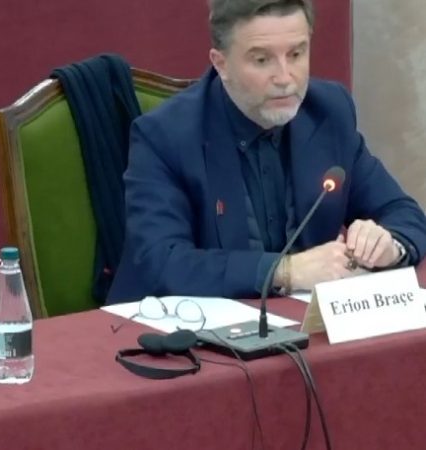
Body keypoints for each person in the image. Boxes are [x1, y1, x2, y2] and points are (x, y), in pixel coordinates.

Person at [107, 0, 426, 303]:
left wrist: (389, 245)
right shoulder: (165, 136)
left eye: (296, 54)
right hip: (178, 330)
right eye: (262, 60)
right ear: (221, 64)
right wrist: (285, 271)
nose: (285, 78)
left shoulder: (328, 112)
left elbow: (404, 213)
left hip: (300, 326)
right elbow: (162, 263)